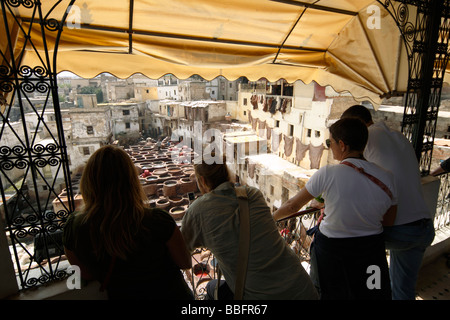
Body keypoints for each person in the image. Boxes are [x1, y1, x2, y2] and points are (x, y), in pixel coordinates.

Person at [273, 118, 397, 300]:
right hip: (372, 249)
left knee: (331, 294)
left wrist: (270, 218)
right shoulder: (387, 176)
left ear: (342, 145)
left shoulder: (328, 173)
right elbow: (389, 221)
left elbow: (292, 206)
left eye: (329, 142)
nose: (329, 147)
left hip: (332, 250)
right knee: (372, 292)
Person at [62, 145, 193, 300]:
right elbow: (185, 262)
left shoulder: (74, 227)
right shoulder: (158, 221)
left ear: (88, 182)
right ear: (131, 181)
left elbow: (85, 273)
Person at [181, 155, 318, 300]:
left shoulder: (197, 211)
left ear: (202, 180)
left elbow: (182, 256)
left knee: (211, 288)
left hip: (264, 297)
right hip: (302, 286)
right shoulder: (252, 194)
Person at [341, 105, 435, 300]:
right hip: (423, 227)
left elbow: (348, 178)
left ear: (357, 124)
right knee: (403, 292)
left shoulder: (366, 138)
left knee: (340, 240)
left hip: (399, 229)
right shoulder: (399, 137)